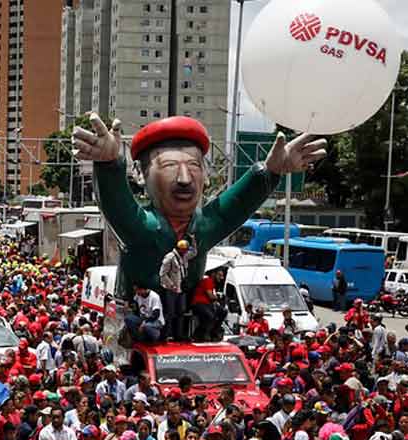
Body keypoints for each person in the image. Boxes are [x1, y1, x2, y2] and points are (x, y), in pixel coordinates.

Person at [72, 113, 326, 306]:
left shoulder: (204, 227)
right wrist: (109, 166)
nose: (184, 179)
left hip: (190, 322)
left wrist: (270, 172)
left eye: (193, 166)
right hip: (139, 322)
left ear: (205, 175)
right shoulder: (142, 227)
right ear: (141, 175)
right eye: (170, 166)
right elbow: (116, 205)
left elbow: (237, 205)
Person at [159, 239, 197, 340]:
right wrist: (171, 285)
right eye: (184, 250)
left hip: (181, 289)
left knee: (181, 312)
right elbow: (162, 274)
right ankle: (167, 335)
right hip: (172, 290)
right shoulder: (170, 257)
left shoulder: (184, 257)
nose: (186, 252)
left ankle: (178, 335)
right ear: (179, 249)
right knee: (170, 313)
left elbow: (194, 253)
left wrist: (193, 240)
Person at [190, 273, 218, 342]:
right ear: (214, 275)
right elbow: (210, 296)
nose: (221, 278)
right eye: (219, 275)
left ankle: (211, 333)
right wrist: (217, 297)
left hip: (205, 304)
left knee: (219, 313)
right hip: (198, 303)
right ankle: (198, 334)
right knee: (210, 316)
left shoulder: (212, 283)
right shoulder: (208, 281)